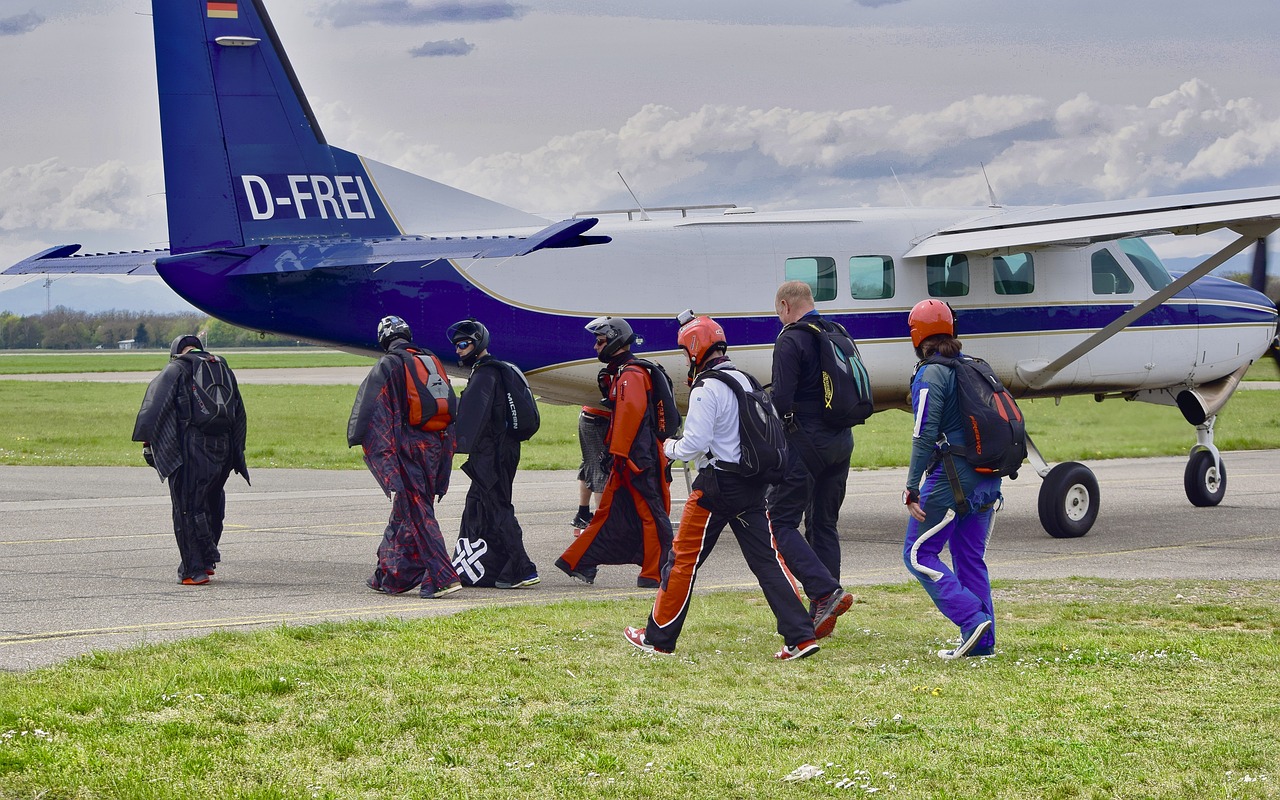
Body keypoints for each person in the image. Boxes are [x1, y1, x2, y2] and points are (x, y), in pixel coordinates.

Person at [623, 315, 821, 660]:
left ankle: (658, 638)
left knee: (682, 561)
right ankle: (801, 636)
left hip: (716, 486)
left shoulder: (706, 387)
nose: (686, 359)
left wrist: (667, 448)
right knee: (768, 561)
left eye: (686, 351)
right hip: (752, 483)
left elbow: (693, 444)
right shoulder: (744, 379)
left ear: (696, 349)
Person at [902, 299, 1000, 659]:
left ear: (917, 336)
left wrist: (912, 485)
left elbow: (924, 433)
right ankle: (982, 643)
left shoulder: (931, 373)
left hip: (954, 478)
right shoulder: (973, 368)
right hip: (989, 479)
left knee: (918, 554)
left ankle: (972, 621)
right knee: (968, 557)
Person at [348, 315, 461, 599]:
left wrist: (385, 461)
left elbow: (374, 412)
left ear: (384, 340)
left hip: (408, 451)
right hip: (435, 448)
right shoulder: (430, 360)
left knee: (418, 513)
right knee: (406, 513)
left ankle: (442, 577)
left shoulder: (389, 364)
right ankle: (389, 576)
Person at [556, 317, 673, 588]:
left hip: (636, 460)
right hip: (629, 458)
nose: (596, 347)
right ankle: (580, 561)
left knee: (652, 515)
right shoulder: (624, 372)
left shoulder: (631, 374)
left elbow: (629, 418)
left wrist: (617, 454)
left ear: (616, 341)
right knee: (611, 512)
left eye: (601, 341)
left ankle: (655, 573)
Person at [767, 281, 856, 630]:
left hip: (806, 444)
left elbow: (782, 401)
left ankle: (824, 592)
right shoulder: (835, 332)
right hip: (842, 441)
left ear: (786, 305)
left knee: (780, 521)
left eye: (778, 313)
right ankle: (824, 606)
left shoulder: (791, 339)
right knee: (823, 523)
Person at [132, 334, 248, 585]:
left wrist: (149, 447)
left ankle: (192, 570)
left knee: (187, 507)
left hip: (191, 449)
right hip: (224, 449)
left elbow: (153, 408)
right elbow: (239, 411)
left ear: (176, 352)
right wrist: (237, 453)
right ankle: (207, 562)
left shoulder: (176, 368)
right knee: (213, 504)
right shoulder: (222, 367)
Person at [447, 318, 539, 589]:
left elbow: (472, 417)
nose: (459, 349)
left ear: (478, 344)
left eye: (464, 344)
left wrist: (452, 445)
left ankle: (524, 568)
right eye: (457, 345)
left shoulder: (485, 374)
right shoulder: (496, 370)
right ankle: (494, 567)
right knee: (483, 504)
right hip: (504, 450)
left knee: (498, 507)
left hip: (493, 454)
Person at [572, 401, 610, 536]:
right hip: (600, 419)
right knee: (601, 469)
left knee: (589, 462)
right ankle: (601, 523)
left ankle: (583, 513)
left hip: (588, 416)